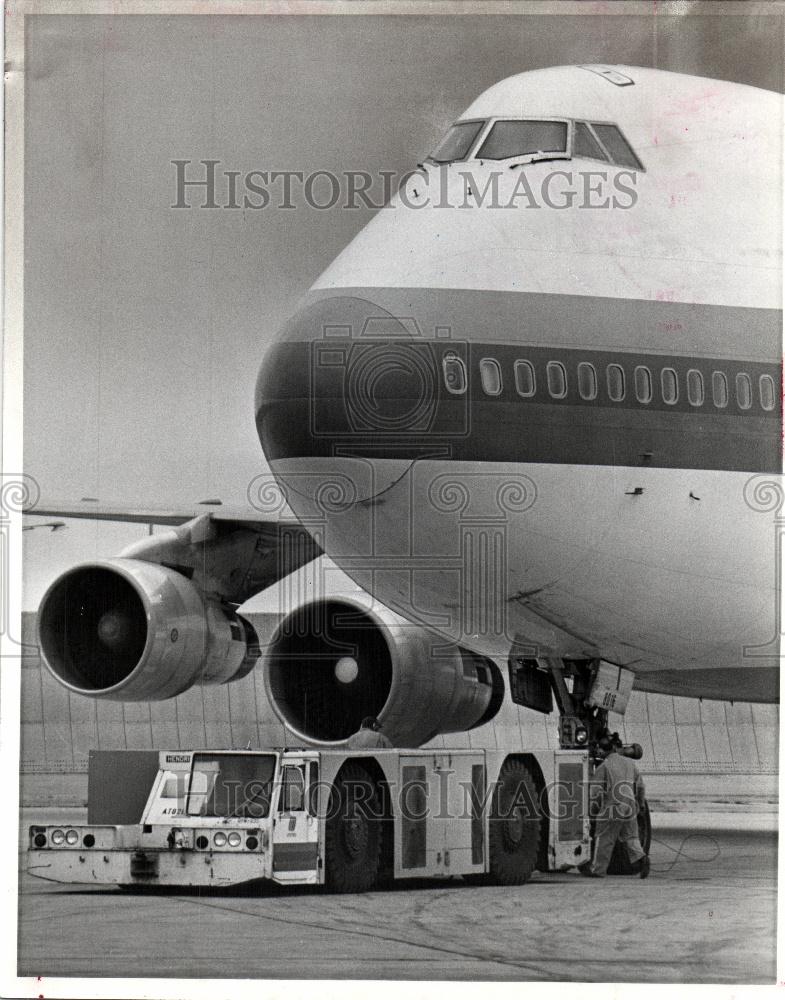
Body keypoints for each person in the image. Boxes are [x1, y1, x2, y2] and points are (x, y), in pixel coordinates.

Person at [581, 732, 650, 879]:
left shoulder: (604, 766)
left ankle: (597, 870)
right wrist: (641, 804)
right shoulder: (630, 763)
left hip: (613, 806)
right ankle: (642, 859)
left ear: (602, 751)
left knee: (603, 838)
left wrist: (591, 812)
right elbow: (640, 786)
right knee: (631, 837)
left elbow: (595, 792)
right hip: (630, 805)